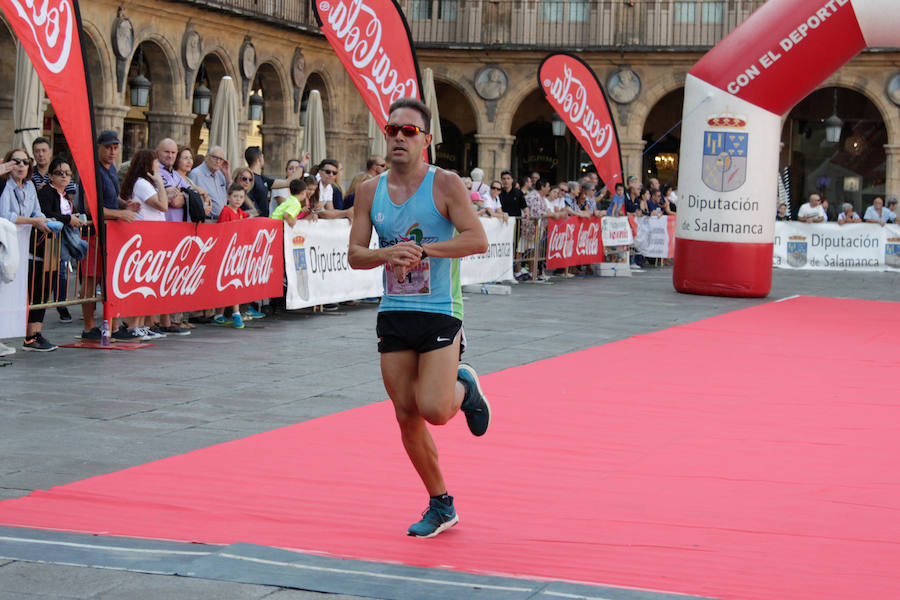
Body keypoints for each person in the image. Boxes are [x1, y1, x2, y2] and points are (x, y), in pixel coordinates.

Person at [348, 97, 491, 538]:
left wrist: (425, 250)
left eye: (409, 131)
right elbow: (355, 256)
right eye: (393, 130)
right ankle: (440, 503)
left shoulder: (445, 184)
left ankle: (464, 385)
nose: (398, 137)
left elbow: (477, 239)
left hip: (440, 310)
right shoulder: (369, 191)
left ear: (426, 140)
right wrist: (386, 254)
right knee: (405, 414)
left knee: (434, 409)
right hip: (394, 312)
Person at [79, 130, 142, 342]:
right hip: (93, 233)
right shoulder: (91, 170)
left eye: (115, 147)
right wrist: (120, 213)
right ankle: (89, 327)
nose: (112, 151)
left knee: (109, 281)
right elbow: (90, 208)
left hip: (111, 234)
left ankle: (112, 325)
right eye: (108, 147)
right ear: (99, 147)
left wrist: (126, 204)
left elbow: (111, 196)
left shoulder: (111, 168)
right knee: (91, 281)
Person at [0, 148, 56, 351]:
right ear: (8, 164)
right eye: (16, 161)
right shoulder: (4, 185)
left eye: (25, 162)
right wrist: (34, 220)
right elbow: (6, 215)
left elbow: (36, 211)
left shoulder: (30, 185)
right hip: (5, 241)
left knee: (14, 290)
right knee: (3, 288)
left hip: (24, 243)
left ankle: (6, 336)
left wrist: (45, 220)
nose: (21, 165)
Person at [121, 149, 169, 340]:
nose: (158, 166)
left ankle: (140, 324)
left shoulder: (142, 183)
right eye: (156, 162)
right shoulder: (142, 184)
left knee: (147, 283)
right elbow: (162, 205)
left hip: (151, 238)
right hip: (144, 239)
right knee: (142, 284)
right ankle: (134, 325)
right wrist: (160, 183)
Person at [36, 157, 84, 325]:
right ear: (50, 176)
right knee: (50, 277)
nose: (64, 176)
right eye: (59, 173)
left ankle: (60, 304)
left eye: (67, 173)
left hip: (61, 242)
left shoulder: (64, 196)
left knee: (60, 272)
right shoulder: (46, 192)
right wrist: (67, 219)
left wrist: (73, 217)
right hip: (47, 242)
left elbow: (67, 214)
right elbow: (46, 212)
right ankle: (52, 307)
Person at [214, 184, 251, 329]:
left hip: (236, 253)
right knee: (232, 283)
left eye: (241, 197)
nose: (238, 199)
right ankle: (236, 313)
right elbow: (222, 231)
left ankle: (219, 315)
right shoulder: (226, 211)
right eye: (235, 196)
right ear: (228, 197)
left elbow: (249, 216)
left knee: (229, 284)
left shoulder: (240, 211)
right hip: (226, 253)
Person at [190, 145, 229, 222]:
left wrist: (228, 174)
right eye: (215, 157)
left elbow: (230, 195)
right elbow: (191, 201)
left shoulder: (220, 175)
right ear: (207, 156)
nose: (218, 161)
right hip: (206, 221)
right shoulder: (196, 174)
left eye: (221, 159)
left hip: (221, 221)